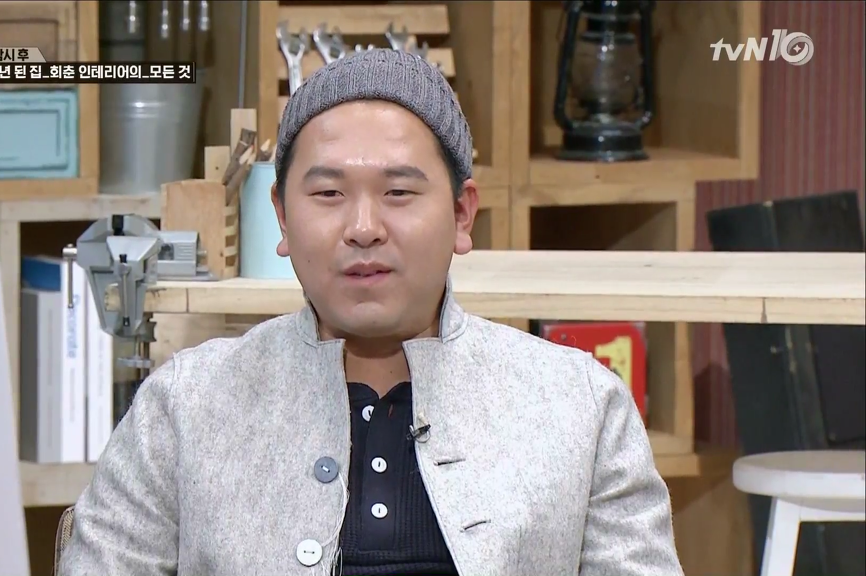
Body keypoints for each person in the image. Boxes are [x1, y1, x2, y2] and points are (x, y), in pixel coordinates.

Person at [60, 49, 684, 576]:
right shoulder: (185, 405)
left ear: (462, 214)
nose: (363, 227)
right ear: (282, 217)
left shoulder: (581, 406)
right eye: (329, 193)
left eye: (399, 192)